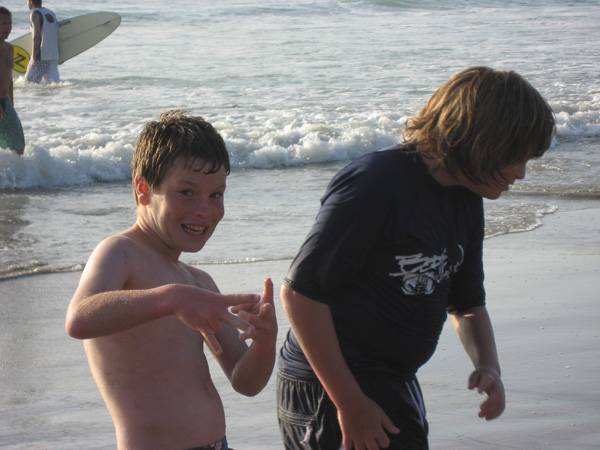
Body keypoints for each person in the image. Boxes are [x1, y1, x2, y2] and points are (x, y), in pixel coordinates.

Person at [277, 66, 556, 450]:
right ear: (484, 141)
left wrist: (488, 366)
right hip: (332, 383)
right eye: (516, 158)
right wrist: (349, 402)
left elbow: (467, 303)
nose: (521, 174)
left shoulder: (467, 197)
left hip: (394, 379)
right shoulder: (376, 182)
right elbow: (301, 294)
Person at [66, 110, 278, 450]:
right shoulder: (121, 252)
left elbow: (246, 381)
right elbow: (79, 318)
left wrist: (265, 343)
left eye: (216, 195)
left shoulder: (199, 282)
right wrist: (172, 298)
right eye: (186, 192)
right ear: (143, 190)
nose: (204, 209)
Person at [0, 7, 24, 154]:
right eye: (4, 24)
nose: (8, 28)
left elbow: (9, 79)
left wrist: (11, 103)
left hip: (5, 102)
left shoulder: (9, 48)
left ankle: (15, 168)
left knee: (18, 144)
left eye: (10, 23)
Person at [25, 0, 59, 83]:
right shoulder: (51, 13)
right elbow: (56, 33)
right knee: (53, 85)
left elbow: (36, 36)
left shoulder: (35, 14)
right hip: (53, 55)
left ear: (31, 1)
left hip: (41, 56)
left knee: (29, 84)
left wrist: (34, 57)